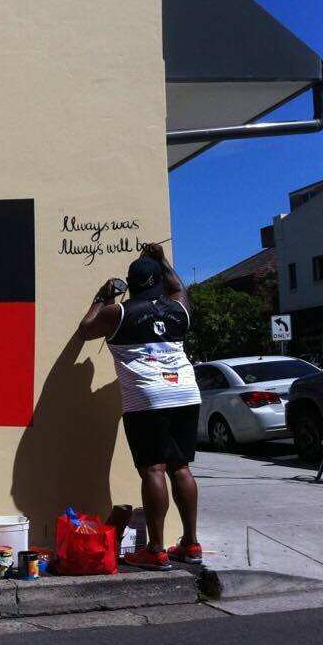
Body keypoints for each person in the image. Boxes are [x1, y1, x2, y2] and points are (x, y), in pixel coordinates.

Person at [76, 243, 202, 570]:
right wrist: (162, 261)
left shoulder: (119, 313)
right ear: (159, 282)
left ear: (131, 285)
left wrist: (102, 296)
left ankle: (157, 549)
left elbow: (86, 329)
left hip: (149, 397)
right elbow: (179, 288)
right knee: (181, 467)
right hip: (186, 391)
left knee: (153, 469)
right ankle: (191, 544)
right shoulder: (179, 310)